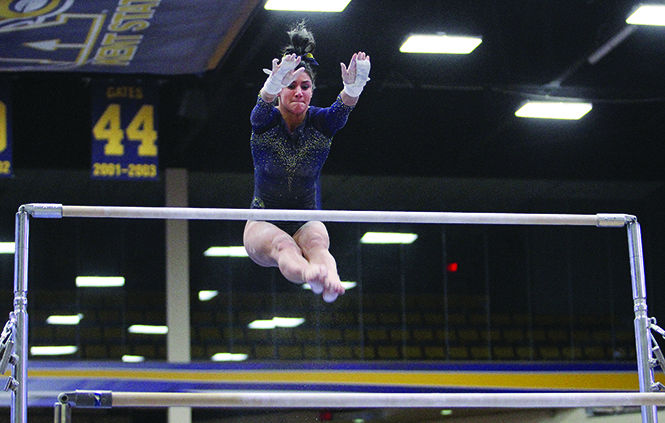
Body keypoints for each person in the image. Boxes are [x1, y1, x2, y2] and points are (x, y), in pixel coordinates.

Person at [243, 22, 370, 303]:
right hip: (263, 218)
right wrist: (271, 84)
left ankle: (330, 279)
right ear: (278, 90)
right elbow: (261, 106)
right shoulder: (265, 121)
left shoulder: (322, 122)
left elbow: (344, 107)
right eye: (290, 86)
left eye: (305, 86)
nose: (298, 91)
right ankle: (310, 275)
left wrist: (355, 85)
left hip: (305, 215)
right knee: (283, 244)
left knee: (318, 244)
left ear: (312, 90)